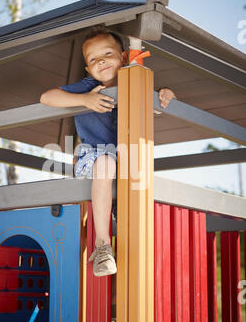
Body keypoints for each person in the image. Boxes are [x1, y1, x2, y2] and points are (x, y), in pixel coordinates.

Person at [40, 27, 176, 277]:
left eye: (107, 54)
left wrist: (165, 96)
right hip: (95, 156)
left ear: (124, 57)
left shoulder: (135, 81)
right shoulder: (89, 87)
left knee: (133, 197)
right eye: (93, 60)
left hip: (127, 160)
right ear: (89, 70)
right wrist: (84, 100)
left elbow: (157, 105)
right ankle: (102, 245)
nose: (101, 61)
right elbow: (47, 97)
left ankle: (140, 254)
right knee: (104, 163)